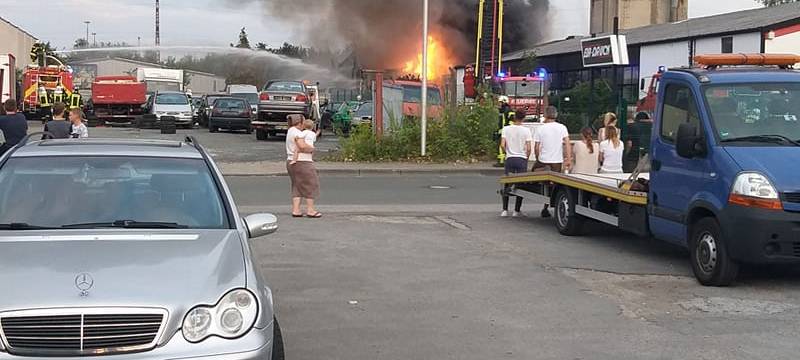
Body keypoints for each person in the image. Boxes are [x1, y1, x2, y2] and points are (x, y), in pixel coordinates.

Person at [533, 106, 571, 218]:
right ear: (556, 115)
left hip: (544, 160)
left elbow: (536, 146)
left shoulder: (540, 128)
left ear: (545, 115)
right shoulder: (562, 127)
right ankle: (546, 207)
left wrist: (537, 157)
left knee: (534, 172)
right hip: (557, 161)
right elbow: (567, 144)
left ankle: (540, 188)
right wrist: (568, 159)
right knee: (555, 185)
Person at [286, 114, 322, 218]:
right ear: (300, 122)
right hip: (303, 162)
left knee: (296, 185)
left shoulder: (290, 131)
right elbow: (302, 146)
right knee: (311, 184)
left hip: (290, 161)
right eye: (303, 121)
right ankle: (310, 210)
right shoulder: (297, 133)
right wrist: (312, 149)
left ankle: (296, 210)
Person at [500, 111, 533, 218]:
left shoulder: (506, 129)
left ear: (514, 118)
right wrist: (526, 158)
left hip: (510, 158)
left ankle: (505, 210)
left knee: (507, 182)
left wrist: (507, 152)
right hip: (521, 159)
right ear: (523, 118)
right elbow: (528, 148)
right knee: (520, 185)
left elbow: (502, 145)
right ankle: (516, 210)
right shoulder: (526, 131)